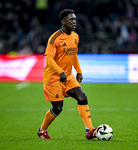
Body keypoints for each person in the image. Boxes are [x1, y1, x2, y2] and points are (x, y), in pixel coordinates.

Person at [37, 9, 96, 139]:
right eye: (71, 19)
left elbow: (73, 55)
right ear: (63, 22)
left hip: (67, 76)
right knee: (58, 108)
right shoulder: (54, 38)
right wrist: (60, 71)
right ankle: (42, 130)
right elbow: (49, 59)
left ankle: (89, 130)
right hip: (53, 77)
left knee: (82, 97)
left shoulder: (75, 36)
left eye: (74, 19)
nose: (74, 22)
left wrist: (79, 71)